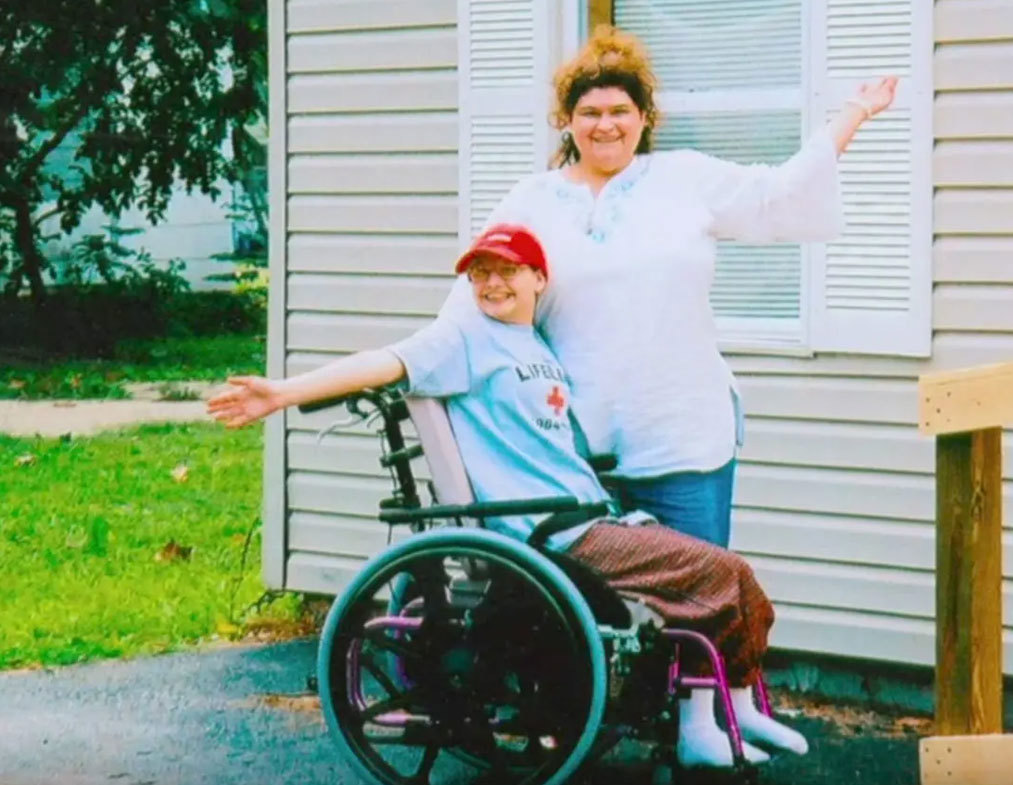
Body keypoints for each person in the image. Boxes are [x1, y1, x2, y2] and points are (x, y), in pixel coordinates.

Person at [207, 225, 808, 769]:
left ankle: (732, 707)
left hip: (589, 516)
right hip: (552, 534)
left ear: (539, 280)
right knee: (721, 573)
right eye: (480, 274)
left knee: (728, 583)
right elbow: (383, 361)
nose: (492, 284)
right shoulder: (462, 339)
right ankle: (705, 727)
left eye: (507, 271)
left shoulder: (537, 348)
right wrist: (281, 393)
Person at [439, 26, 898, 547]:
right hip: (578, 452)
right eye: (590, 113)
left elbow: (779, 194)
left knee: (697, 606)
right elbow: (470, 305)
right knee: (600, 620)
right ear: (566, 122)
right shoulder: (531, 200)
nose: (605, 125)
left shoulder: (685, 178)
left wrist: (853, 113)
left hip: (684, 442)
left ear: (644, 118)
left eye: (620, 112)